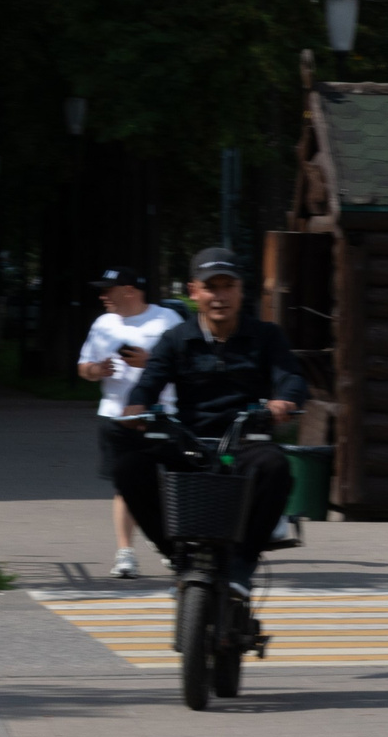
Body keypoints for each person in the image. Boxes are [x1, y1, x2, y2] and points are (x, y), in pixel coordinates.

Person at [113, 249, 307, 591]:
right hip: (188, 443)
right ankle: (176, 556)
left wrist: (283, 400)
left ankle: (242, 564)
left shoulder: (265, 336)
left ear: (240, 290)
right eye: (210, 287)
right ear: (194, 291)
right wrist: (136, 407)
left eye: (227, 286)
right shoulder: (176, 339)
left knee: (276, 466)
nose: (219, 296)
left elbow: (291, 377)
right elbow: (149, 382)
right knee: (128, 466)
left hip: (247, 442)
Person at [76, 267, 183, 578]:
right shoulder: (102, 324)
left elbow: (187, 363)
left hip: (162, 416)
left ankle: (171, 544)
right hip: (115, 417)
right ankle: (125, 553)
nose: (102, 296)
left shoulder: (167, 321)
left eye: (108, 290)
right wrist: (97, 370)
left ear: (130, 291)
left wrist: (149, 362)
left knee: (169, 484)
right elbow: (83, 367)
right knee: (124, 485)